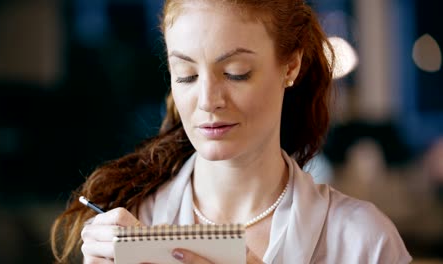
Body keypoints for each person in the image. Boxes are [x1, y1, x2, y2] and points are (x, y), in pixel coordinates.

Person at [51, 0, 412, 263]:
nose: (208, 101)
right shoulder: (136, 225)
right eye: (187, 75)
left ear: (291, 65)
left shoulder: (365, 242)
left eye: (236, 72)